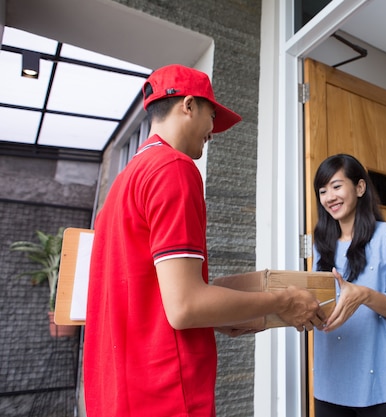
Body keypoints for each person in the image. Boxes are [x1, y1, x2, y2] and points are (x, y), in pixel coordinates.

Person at [83, 64, 326, 417]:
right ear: (189, 105)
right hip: (164, 394)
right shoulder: (173, 169)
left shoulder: (123, 182)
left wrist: (222, 311)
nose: (213, 131)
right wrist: (284, 302)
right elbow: (185, 307)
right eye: (212, 115)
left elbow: (154, 295)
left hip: (117, 392)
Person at [312, 154, 386, 417]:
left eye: (337, 186)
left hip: (382, 380)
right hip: (332, 380)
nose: (330, 197)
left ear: (360, 188)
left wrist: (363, 295)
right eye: (323, 190)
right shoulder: (321, 244)